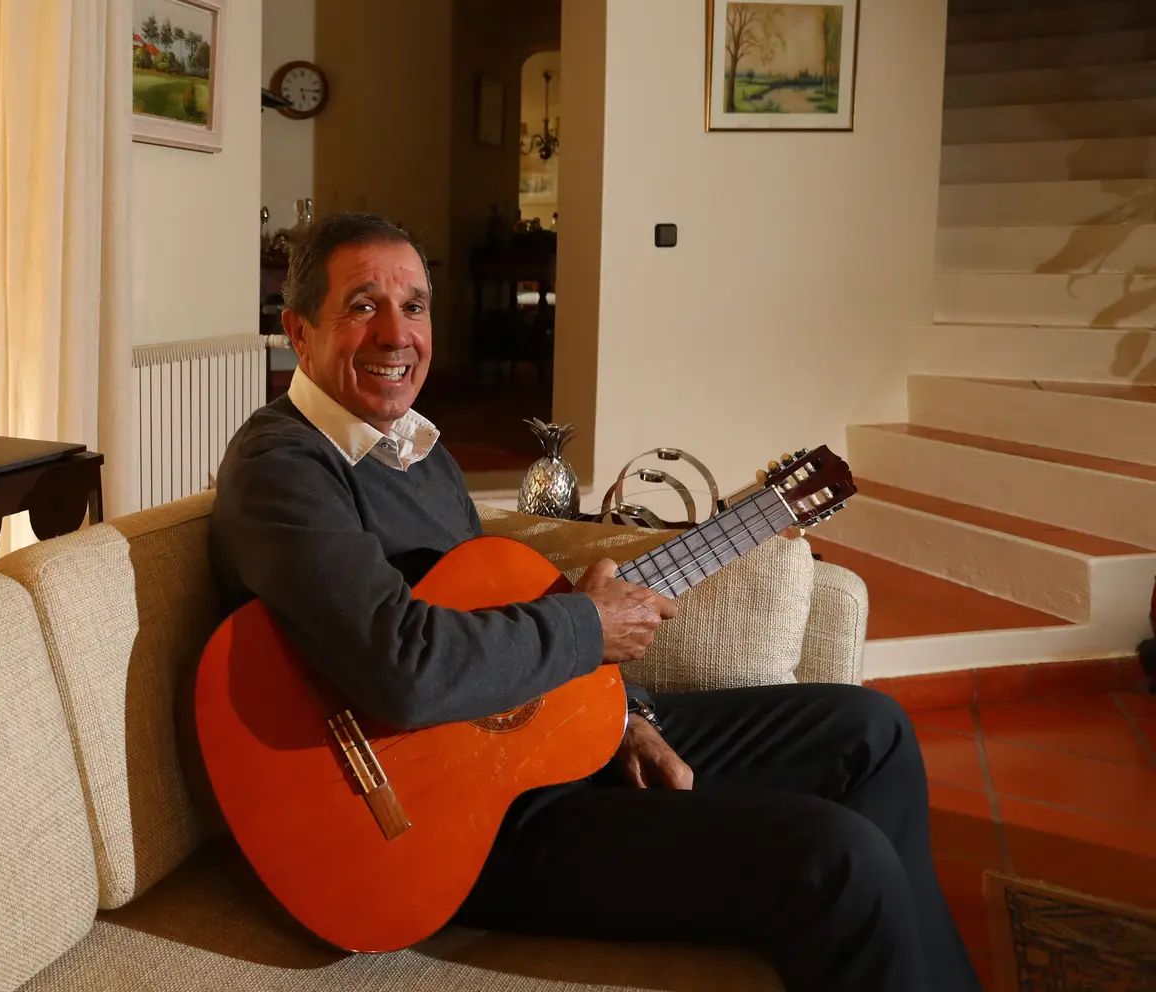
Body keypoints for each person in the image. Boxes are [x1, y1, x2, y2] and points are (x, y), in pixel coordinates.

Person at [209, 211, 977, 992]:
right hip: (448, 827)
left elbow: (504, 613)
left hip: (534, 750)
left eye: (414, 306)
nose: (396, 333)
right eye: (363, 304)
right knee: (835, 856)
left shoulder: (416, 451)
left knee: (870, 731)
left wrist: (625, 715)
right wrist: (586, 626)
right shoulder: (285, 467)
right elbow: (401, 665)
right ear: (298, 332)